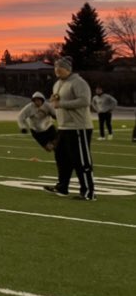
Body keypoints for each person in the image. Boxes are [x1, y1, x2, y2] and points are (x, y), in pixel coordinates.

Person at [45, 56, 96, 200]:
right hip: (63, 127)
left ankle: (88, 192)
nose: (57, 70)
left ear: (67, 69)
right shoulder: (58, 84)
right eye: (55, 67)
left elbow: (85, 101)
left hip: (78, 127)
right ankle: (62, 187)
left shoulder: (79, 82)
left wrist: (61, 104)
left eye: (59, 68)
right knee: (61, 158)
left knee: (81, 160)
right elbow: (58, 102)